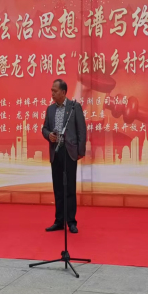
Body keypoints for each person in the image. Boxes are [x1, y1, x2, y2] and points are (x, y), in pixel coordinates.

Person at [41, 79, 86, 234]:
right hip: (56, 151)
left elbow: (81, 130)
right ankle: (59, 221)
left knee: (70, 188)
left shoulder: (74, 107)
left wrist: (80, 151)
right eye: (52, 91)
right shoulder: (50, 109)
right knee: (58, 188)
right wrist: (49, 135)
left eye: (55, 91)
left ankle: (71, 222)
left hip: (69, 151)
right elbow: (44, 128)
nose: (52, 93)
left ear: (63, 92)